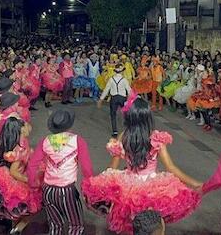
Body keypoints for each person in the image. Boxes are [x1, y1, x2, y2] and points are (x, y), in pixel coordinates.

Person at [82, 95, 201, 234]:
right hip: (153, 187)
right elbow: (171, 167)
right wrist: (195, 183)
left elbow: (112, 168)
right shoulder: (156, 138)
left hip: (128, 186)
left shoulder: (123, 137)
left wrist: (99, 183)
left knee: (131, 221)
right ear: (147, 117)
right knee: (154, 221)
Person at [27, 109, 93, 235]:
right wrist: (89, 188)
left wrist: (33, 183)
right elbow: (86, 168)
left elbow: (32, 165)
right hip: (67, 191)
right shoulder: (77, 141)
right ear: (70, 125)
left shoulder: (45, 141)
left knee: (55, 226)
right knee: (76, 226)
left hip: (48, 191)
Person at [98, 64, 132, 137]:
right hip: (122, 98)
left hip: (114, 98)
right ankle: (128, 129)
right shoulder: (124, 80)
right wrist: (133, 99)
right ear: (122, 72)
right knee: (126, 114)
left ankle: (115, 131)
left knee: (113, 114)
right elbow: (129, 91)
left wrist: (101, 99)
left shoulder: (111, 79)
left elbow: (106, 90)